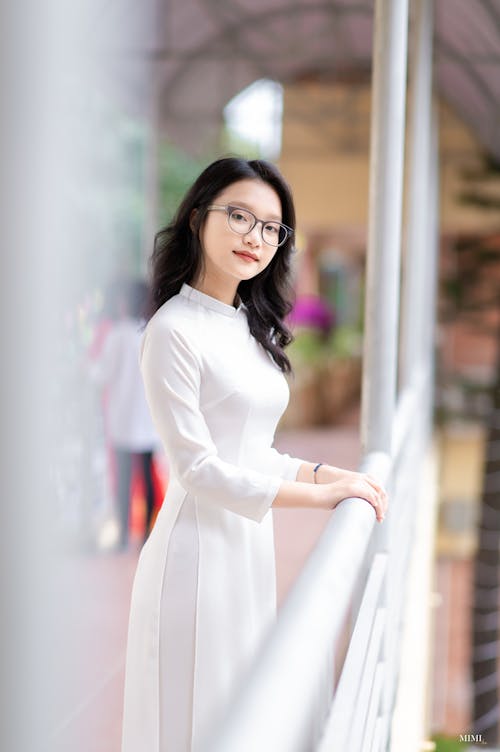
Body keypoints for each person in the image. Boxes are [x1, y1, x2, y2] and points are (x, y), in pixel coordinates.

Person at [121, 157, 388, 751]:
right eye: (239, 216)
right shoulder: (173, 330)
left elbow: (251, 449)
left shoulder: (245, 324)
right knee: (194, 724)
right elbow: (196, 469)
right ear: (196, 219)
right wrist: (318, 496)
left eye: (272, 227)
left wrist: (325, 472)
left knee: (239, 713)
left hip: (245, 547)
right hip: (195, 562)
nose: (256, 237)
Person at [93, 278, 159, 548]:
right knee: (147, 473)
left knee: (123, 478)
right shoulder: (151, 333)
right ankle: (145, 535)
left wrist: (85, 371)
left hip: (122, 415)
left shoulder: (117, 335)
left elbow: (103, 374)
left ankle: (122, 535)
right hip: (148, 417)